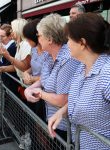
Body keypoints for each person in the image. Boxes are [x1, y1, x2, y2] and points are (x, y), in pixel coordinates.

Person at [48, 13, 110, 149]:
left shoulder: (106, 74)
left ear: (82, 43)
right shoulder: (82, 67)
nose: (67, 44)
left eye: (69, 39)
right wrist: (61, 112)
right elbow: (78, 98)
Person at [24, 14, 80, 142]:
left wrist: (39, 93)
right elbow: (42, 80)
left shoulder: (68, 59)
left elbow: (62, 99)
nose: (38, 38)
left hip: (66, 126)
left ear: (49, 39)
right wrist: (29, 89)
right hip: (54, 119)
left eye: (39, 35)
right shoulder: (49, 56)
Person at [22, 18, 48, 85]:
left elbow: (52, 77)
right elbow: (35, 67)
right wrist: (26, 72)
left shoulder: (48, 51)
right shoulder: (34, 49)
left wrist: (32, 79)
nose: (27, 41)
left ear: (34, 37)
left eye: (28, 38)